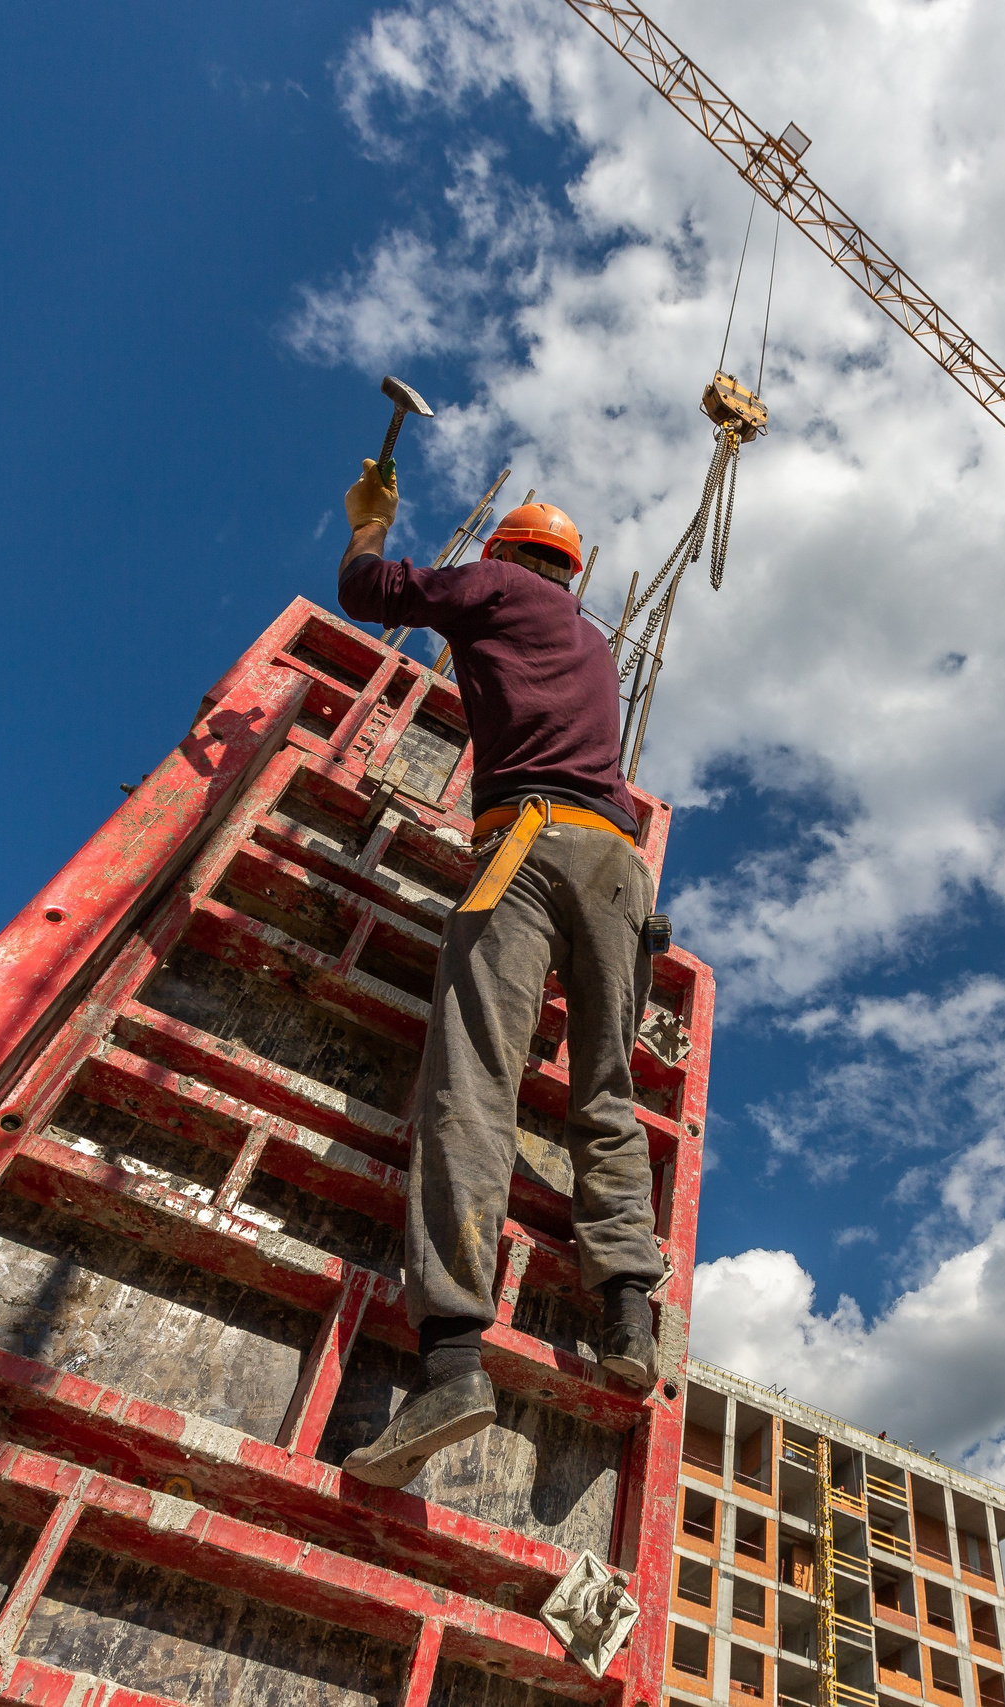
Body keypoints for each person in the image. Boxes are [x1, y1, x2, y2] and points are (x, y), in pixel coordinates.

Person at [331, 459, 665, 1489]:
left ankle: (450, 1364)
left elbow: (369, 595)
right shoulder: (595, 646)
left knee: (473, 1086)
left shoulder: (493, 586)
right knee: (605, 1093)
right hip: (620, 871)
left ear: (509, 555)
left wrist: (369, 525)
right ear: (572, 570)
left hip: (524, 844)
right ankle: (626, 1317)